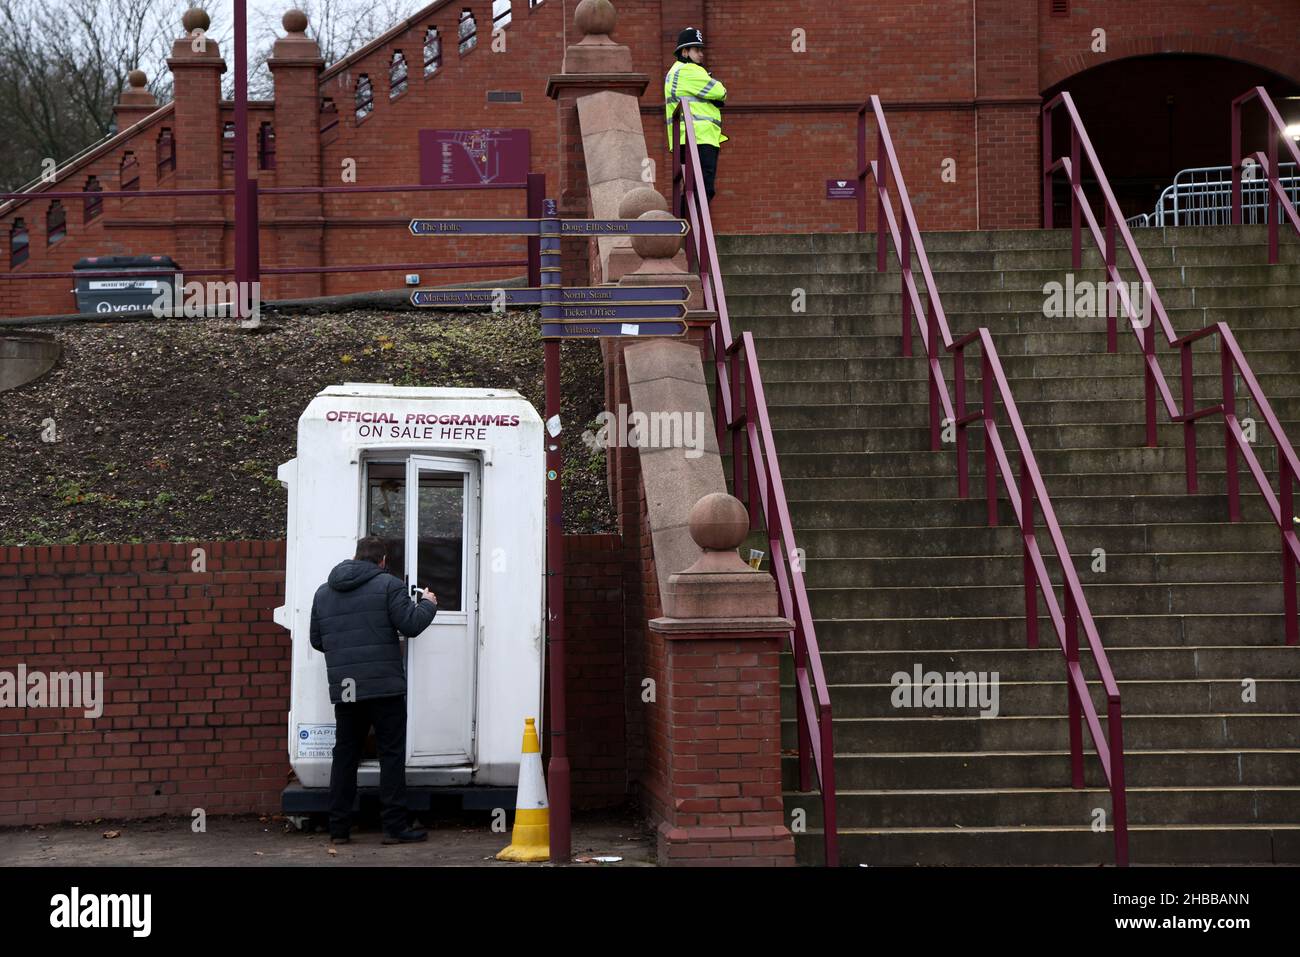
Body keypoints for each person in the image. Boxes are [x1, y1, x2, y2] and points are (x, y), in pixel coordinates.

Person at [309, 535, 437, 845]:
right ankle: (394, 827)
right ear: (382, 561)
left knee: (346, 755)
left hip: (347, 688)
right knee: (390, 755)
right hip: (384, 687)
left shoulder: (324, 592)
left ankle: (339, 829)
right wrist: (428, 605)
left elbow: (317, 640)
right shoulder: (389, 585)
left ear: (355, 557)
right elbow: (410, 625)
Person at [665, 27, 727, 213]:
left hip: (689, 139)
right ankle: (690, 228)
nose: (701, 54)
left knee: (693, 189)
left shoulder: (677, 72)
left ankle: (685, 228)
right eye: (696, 50)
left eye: (701, 50)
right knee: (703, 189)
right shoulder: (688, 70)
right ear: (684, 52)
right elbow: (720, 91)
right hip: (699, 138)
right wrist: (715, 94)